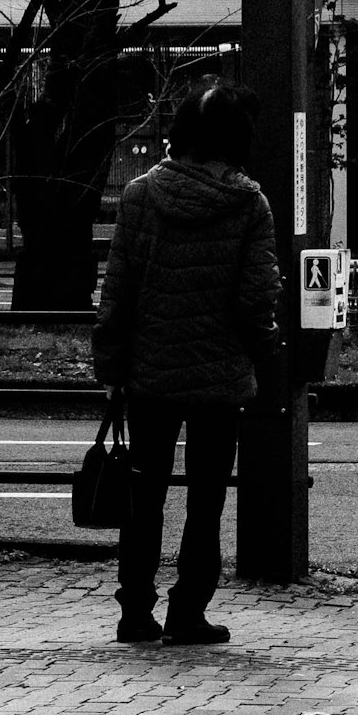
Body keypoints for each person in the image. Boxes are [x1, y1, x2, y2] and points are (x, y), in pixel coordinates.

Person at [91, 80, 282, 648]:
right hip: (219, 378)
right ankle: (188, 611)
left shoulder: (141, 196)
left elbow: (117, 289)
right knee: (206, 499)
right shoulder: (249, 202)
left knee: (143, 494)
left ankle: (134, 611)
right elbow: (256, 299)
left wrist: (111, 364)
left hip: (149, 371)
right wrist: (263, 348)